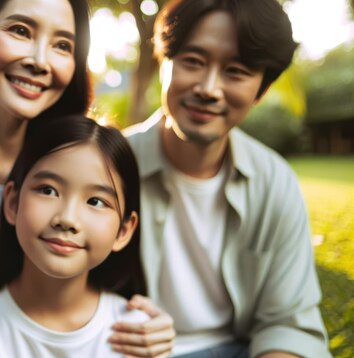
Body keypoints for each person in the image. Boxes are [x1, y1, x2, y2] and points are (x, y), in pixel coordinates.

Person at [0, 0, 175, 356]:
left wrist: (151, 326)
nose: (39, 60)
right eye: (21, 31)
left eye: (62, 45)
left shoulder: (76, 155)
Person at [123, 0, 331, 356]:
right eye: (193, 61)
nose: (208, 88)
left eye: (235, 71)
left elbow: (288, 323)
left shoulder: (274, 181)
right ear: (164, 62)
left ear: (260, 91)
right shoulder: (107, 167)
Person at [0, 114, 149, 357]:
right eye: (48, 190)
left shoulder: (138, 335)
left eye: (96, 201)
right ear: (13, 203)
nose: (67, 219)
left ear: (124, 230)